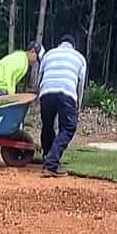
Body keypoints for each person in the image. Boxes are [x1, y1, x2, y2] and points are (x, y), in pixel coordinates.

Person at [36, 34, 87, 178]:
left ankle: (47, 158)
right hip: (67, 93)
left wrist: (39, 94)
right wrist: (78, 104)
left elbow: (40, 76)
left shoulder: (48, 54)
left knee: (47, 126)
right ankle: (52, 164)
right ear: (73, 45)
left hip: (46, 92)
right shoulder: (79, 58)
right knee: (68, 128)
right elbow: (80, 84)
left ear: (60, 44)